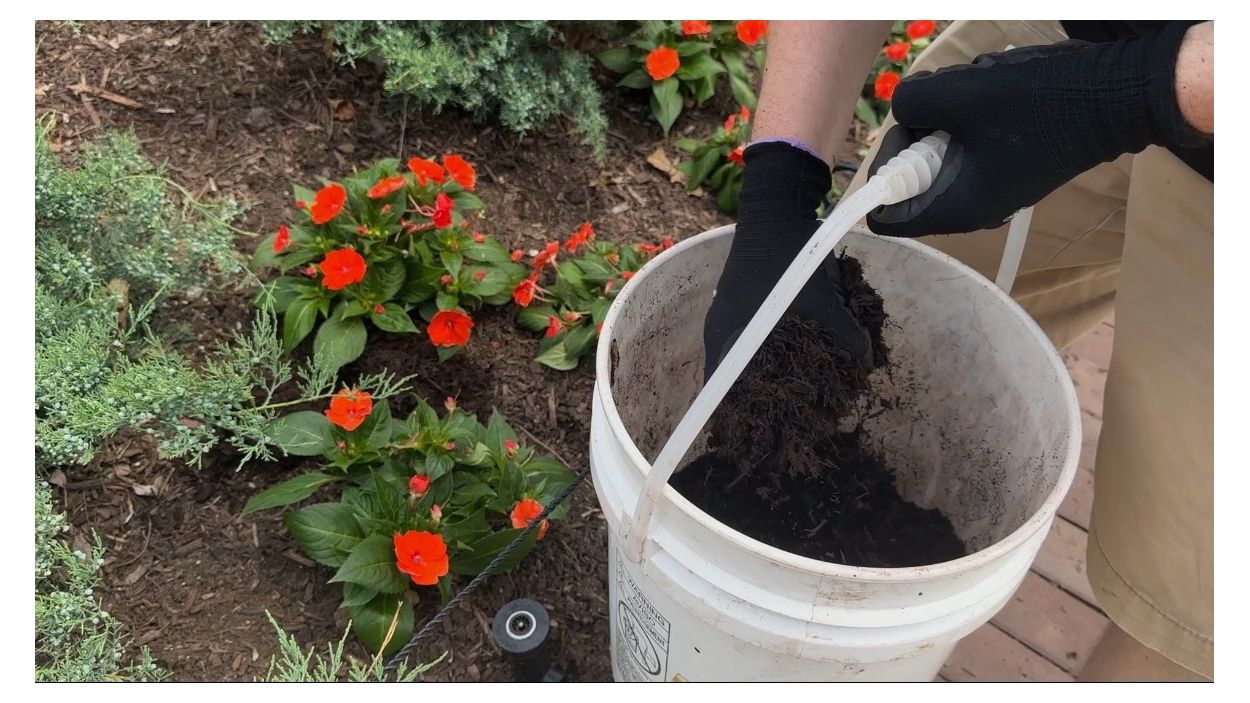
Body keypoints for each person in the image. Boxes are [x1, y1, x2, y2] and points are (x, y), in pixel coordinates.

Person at [703, 20, 1213, 681]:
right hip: (1076, 43)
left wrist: (1136, 90)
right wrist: (779, 193)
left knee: (1190, 600)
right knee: (882, 289)